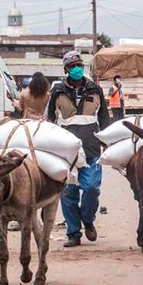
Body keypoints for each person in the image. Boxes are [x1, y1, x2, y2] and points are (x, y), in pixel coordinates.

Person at [45, 51, 110, 247]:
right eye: (73, 66)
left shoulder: (95, 90)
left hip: (91, 150)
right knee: (68, 193)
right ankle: (73, 233)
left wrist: (107, 142)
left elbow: (105, 120)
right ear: (66, 70)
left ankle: (88, 220)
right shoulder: (57, 91)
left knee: (91, 189)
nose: (77, 69)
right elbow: (50, 121)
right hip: (66, 154)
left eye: (79, 65)